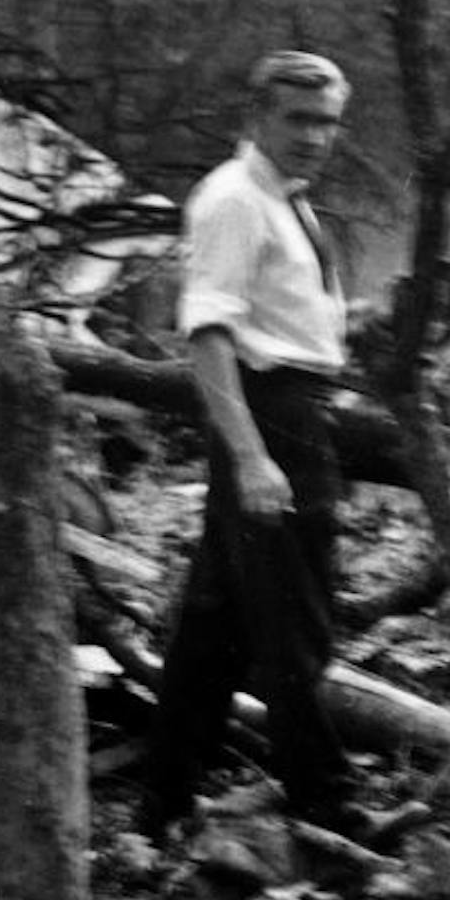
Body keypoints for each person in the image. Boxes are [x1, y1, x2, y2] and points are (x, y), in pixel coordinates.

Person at [139, 50, 381, 845]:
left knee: (216, 624)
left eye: (328, 121)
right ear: (258, 117)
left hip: (297, 411)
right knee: (295, 622)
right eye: (298, 118)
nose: (316, 136)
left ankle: (163, 801)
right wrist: (249, 455)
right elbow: (207, 336)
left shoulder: (287, 202)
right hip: (268, 415)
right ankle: (326, 799)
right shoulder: (234, 201)